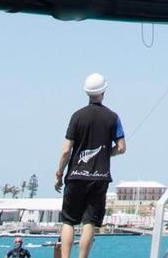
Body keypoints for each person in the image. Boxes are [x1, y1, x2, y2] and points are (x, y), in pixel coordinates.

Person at [54, 73, 126, 258]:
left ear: (87, 93)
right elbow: (121, 147)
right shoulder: (113, 117)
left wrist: (59, 173)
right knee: (90, 222)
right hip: (100, 177)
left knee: (68, 221)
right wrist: (106, 153)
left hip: (76, 175)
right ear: (103, 92)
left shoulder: (77, 116)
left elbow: (65, 150)